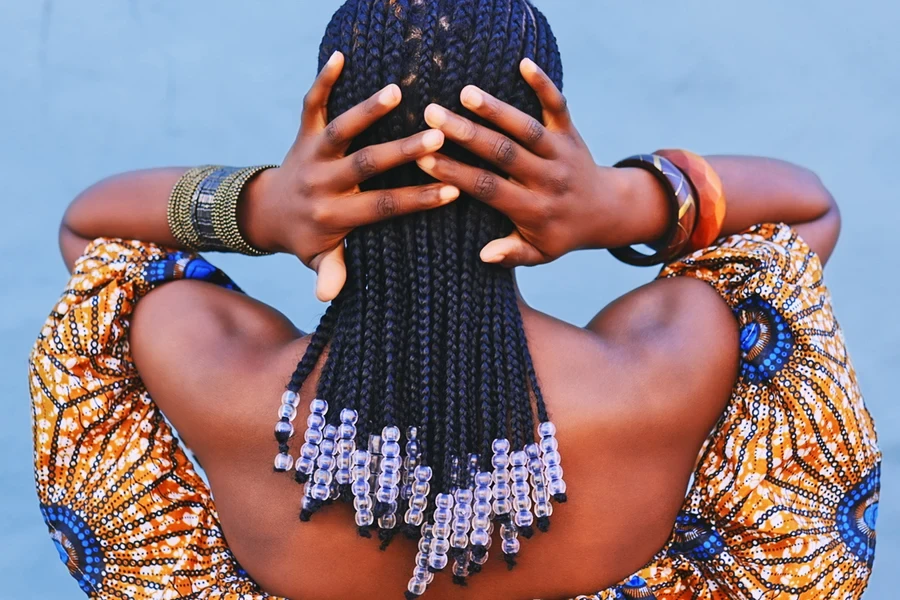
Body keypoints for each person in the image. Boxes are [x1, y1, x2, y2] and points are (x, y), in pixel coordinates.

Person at [29, 0, 880, 598]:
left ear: (324, 139)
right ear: (546, 151)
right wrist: (622, 203)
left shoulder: (220, 379)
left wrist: (263, 207)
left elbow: (92, 234)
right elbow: (808, 210)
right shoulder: (664, 370)